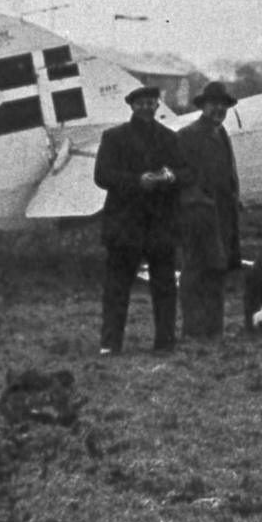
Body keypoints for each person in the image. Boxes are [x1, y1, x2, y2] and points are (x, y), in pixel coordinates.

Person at [93, 85, 190, 354]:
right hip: (126, 222)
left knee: (165, 286)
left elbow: (185, 172)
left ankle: (165, 342)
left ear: (158, 106)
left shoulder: (170, 137)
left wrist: (171, 177)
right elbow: (102, 176)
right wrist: (137, 182)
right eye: (141, 103)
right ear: (132, 106)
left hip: (160, 223)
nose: (147, 108)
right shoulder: (113, 137)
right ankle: (110, 344)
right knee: (117, 287)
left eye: (151, 103)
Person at [176, 81, 242, 339]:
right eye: (214, 104)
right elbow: (181, 175)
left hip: (222, 213)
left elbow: (226, 172)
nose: (219, 109)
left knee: (218, 269)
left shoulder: (221, 132)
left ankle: (214, 329)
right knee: (195, 270)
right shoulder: (187, 135)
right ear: (203, 105)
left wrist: (234, 198)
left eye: (223, 105)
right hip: (199, 214)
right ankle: (193, 330)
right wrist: (196, 203)